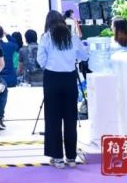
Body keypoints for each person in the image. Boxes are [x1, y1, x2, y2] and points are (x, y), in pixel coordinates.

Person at [38, 10, 89, 169]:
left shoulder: (46, 37)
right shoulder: (72, 37)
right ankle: (71, 158)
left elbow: (41, 60)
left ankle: (58, 158)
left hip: (52, 79)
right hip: (69, 79)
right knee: (70, 118)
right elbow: (84, 56)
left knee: (53, 119)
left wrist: (51, 65)